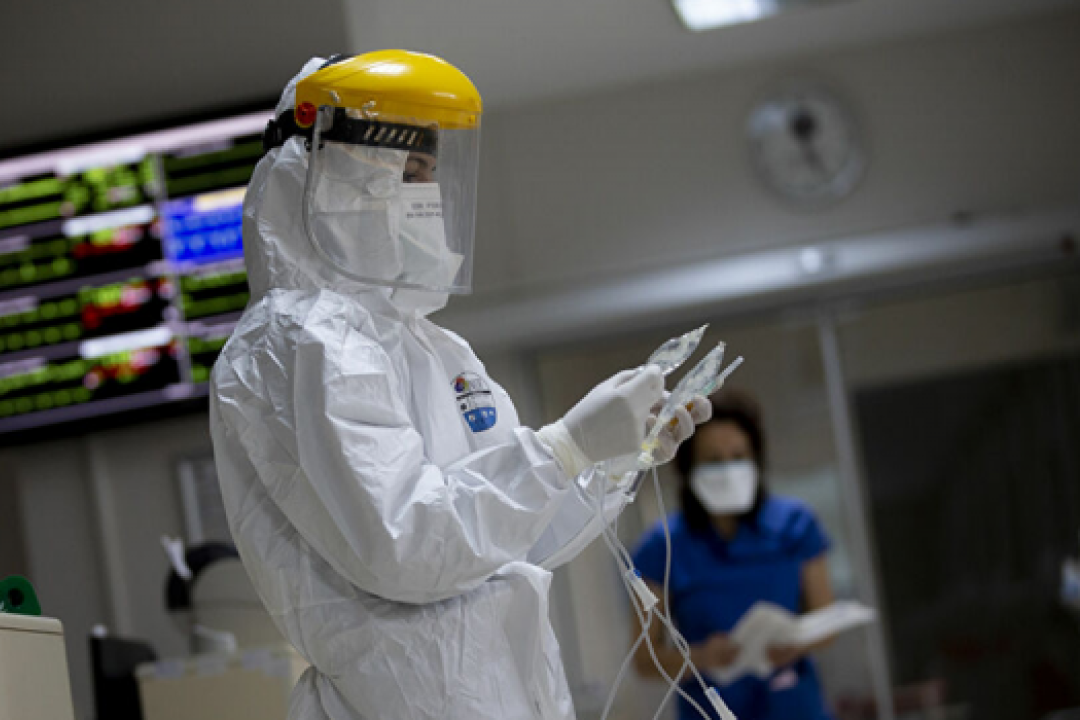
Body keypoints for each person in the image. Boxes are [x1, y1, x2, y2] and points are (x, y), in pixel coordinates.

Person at [208, 51, 710, 720]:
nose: (427, 196)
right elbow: (409, 543)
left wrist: (610, 458)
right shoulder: (299, 338)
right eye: (406, 173)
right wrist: (563, 448)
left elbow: (513, 540)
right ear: (327, 176)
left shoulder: (433, 349)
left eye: (431, 174)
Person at [631, 390, 837, 719]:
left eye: (739, 456)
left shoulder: (795, 524)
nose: (728, 469)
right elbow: (644, 660)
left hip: (792, 704)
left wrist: (795, 643)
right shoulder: (663, 545)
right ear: (689, 468)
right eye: (714, 461)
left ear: (756, 460)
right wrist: (701, 657)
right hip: (710, 708)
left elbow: (827, 625)